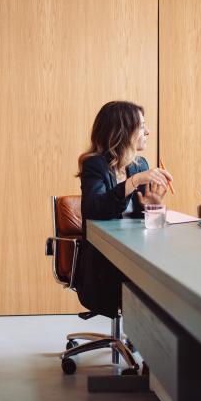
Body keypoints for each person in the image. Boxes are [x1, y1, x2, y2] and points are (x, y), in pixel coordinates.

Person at [75, 100, 172, 318]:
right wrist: (133, 182)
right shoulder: (95, 165)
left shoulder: (140, 165)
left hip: (136, 252)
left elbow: (144, 223)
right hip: (104, 260)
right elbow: (94, 209)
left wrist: (154, 207)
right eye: (141, 126)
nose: (148, 132)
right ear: (122, 131)